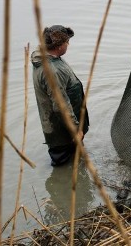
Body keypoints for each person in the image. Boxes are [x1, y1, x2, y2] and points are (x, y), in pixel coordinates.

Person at [31, 25, 90, 166]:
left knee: (75, 161)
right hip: (61, 131)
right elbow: (60, 105)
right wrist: (75, 129)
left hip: (66, 128)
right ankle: (61, 184)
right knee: (63, 165)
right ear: (59, 46)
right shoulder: (51, 70)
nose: (68, 45)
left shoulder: (50, 58)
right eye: (66, 42)